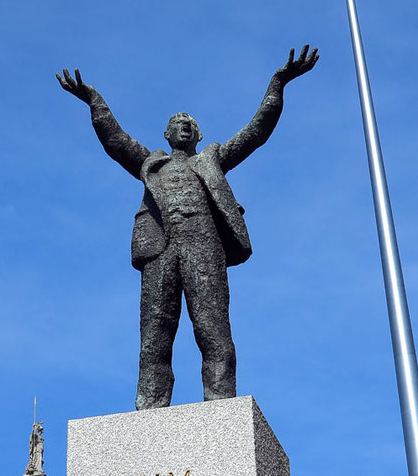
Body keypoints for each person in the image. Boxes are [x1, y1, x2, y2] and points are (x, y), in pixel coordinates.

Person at [57, 45, 319, 409]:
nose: (184, 126)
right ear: (166, 134)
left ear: (197, 135)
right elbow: (114, 139)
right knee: (155, 336)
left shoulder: (212, 159)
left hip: (202, 244)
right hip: (160, 247)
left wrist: (278, 84)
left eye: (190, 124)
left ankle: (221, 406)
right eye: (178, 123)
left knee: (212, 331)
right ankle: (150, 407)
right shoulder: (151, 163)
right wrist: (93, 101)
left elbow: (256, 131)